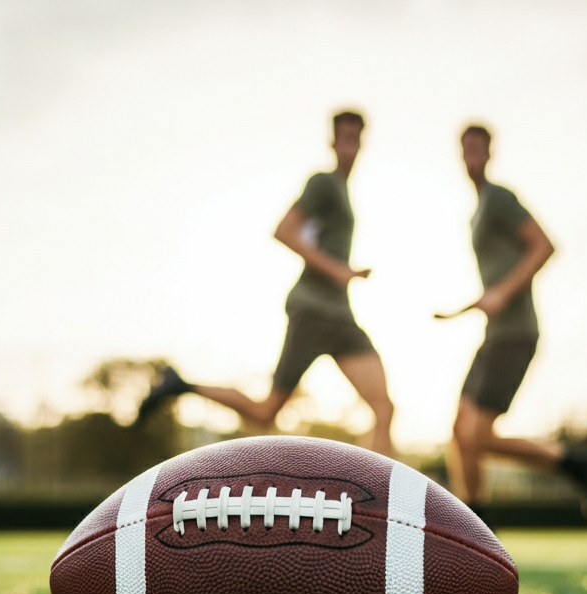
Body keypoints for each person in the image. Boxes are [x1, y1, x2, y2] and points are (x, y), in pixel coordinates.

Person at [137, 111, 395, 457]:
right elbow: (284, 230)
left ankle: (382, 498)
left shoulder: (343, 191)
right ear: (332, 143)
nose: (349, 148)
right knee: (265, 412)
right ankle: (181, 384)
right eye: (344, 140)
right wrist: (339, 271)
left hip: (340, 315)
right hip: (312, 312)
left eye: (355, 140)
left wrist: (344, 276)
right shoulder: (323, 183)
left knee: (383, 408)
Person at [447, 124, 587, 520]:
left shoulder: (500, 199)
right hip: (494, 335)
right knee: (459, 434)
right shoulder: (476, 213)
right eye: (466, 149)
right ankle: (473, 521)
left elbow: (543, 245)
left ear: (490, 153)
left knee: (477, 437)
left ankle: (573, 463)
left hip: (515, 333)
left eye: (479, 149)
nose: (472, 157)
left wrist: (501, 293)